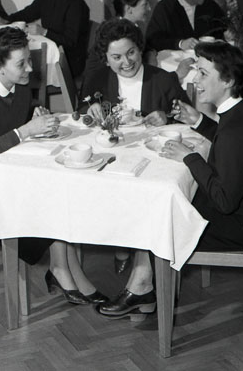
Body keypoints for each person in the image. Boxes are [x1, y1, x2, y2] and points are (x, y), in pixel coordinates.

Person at [97, 41, 243, 319]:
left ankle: (141, 288)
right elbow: (232, 148)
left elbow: (224, 200)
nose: (195, 79)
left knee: (157, 219)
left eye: (204, 73)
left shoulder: (237, 131)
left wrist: (190, 157)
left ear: (228, 80)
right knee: (164, 205)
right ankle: (143, 284)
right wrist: (199, 121)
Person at [0, 27, 107, 305]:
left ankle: (66, 270)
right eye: (21, 64)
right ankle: (62, 270)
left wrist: (35, 120)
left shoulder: (19, 88)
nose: (30, 69)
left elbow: (12, 126)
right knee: (44, 203)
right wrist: (26, 130)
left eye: (29, 60)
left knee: (57, 193)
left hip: (4, 171)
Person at [81, 18, 190, 275]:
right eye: (116, 57)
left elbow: (186, 115)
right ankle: (123, 242)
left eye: (131, 53)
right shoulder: (98, 79)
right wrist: (90, 109)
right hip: (112, 156)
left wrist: (166, 116)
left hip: (153, 159)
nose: (126, 62)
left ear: (140, 49)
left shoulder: (163, 79)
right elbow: (82, 113)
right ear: (106, 59)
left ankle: (141, 251)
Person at [1, 0, 90, 78]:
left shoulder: (75, 4)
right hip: (51, 55)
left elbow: (70, 42)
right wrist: (5, 19)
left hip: (68, 62)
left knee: (18, 66)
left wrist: (44, 32)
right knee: (15, 64)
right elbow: (28, 13)